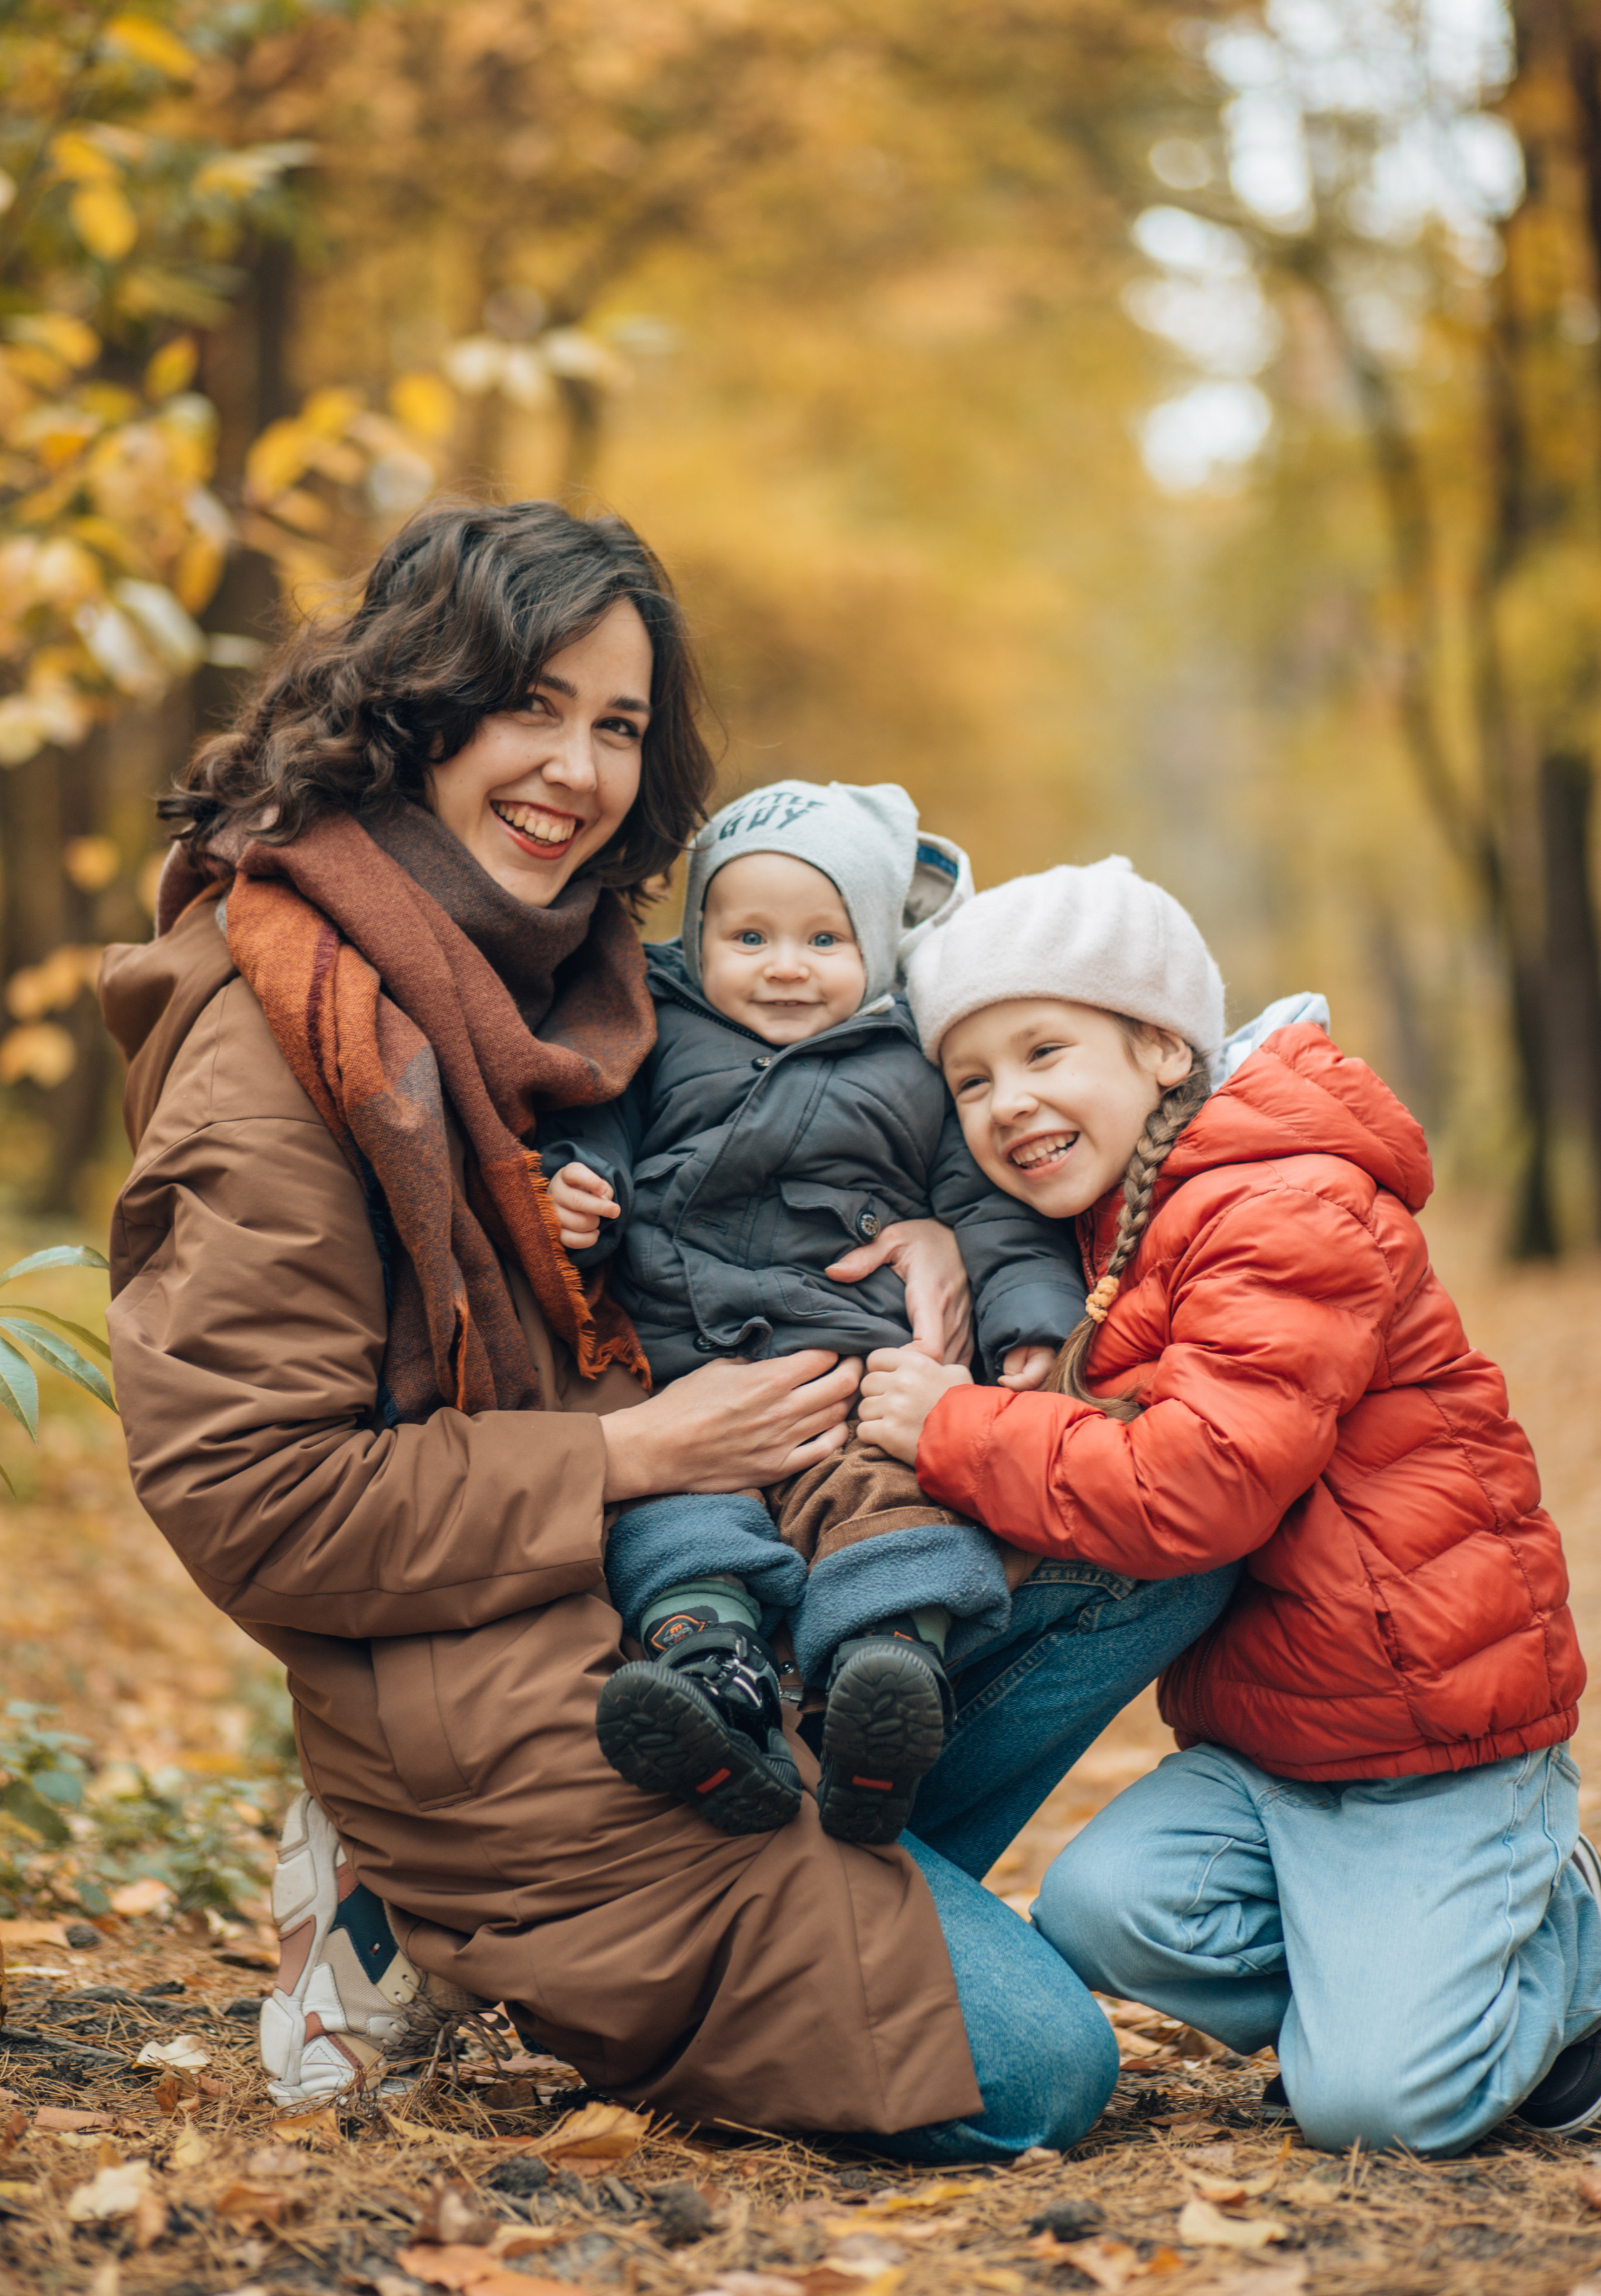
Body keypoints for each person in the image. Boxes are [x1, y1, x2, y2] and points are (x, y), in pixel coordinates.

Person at [96, 503, 1235, 2155]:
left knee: (1158, 1514)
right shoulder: (280, 1037)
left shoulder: (588, 984)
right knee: (1043, 2073)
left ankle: (839, 1831)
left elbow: (826, 1155)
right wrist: (631, 1456)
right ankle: (406, 1881)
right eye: (529, 705)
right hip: (502, 1693)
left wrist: (928, 1238)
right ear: (417, 705)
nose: (578, 766)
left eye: (618, 725)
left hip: (709, 1583)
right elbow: (249, 1497)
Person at [856, 852, 1599, 2157]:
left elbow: (1199, 1487)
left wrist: (950, 1426)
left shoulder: (1281, 1203)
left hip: (1430, 1739)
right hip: (1274, 1749)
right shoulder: (1110, 1217)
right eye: (970, 1081)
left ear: (1157, 1046)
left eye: (1042, 1052)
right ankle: (1413, 1983)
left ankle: (1561, 1948)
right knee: (1097, 1912)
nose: (1006, 1103)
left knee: (1379, 2108)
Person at [539, 778, 1086, 1846]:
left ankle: (885, 1694)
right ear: (697, 939)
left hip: (857, 1377)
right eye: (750, 935)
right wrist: (577, 1192)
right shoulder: (654, 1033)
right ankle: (712, 1686)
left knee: (895, 1507)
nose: (786, 966)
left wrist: (1028, 1324)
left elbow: (989, 1212)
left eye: (824, 938)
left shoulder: (916, 1067)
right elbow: (594, 1126)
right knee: (677, 1528)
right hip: (688, 1381)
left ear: (879, 951)